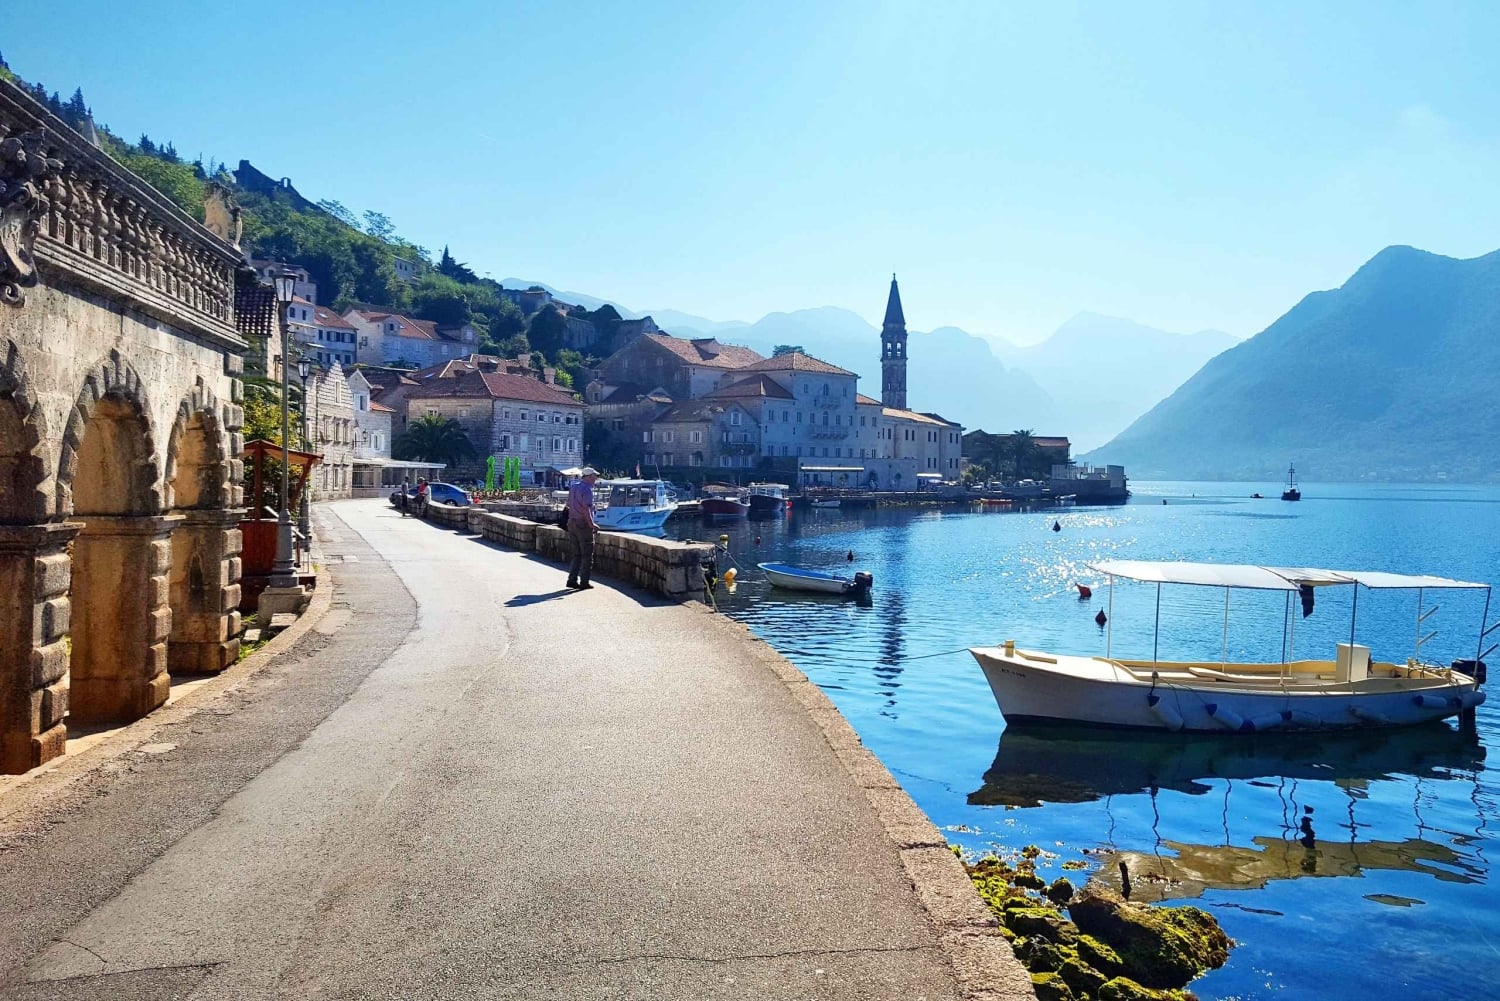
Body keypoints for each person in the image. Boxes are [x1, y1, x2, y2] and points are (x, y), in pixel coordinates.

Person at [565, 467, 601, 590]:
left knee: (576, 554)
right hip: (583, 525)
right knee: (587, 555)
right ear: (588, 476)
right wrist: (592, 525)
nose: (596, 478)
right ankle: (584, 582)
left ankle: (572, 580)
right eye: (594, 476)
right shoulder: (587, 489)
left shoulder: (574, 486)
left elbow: (569, 504)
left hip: (571, 523)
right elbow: (586, 509)